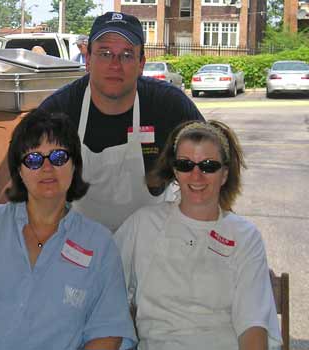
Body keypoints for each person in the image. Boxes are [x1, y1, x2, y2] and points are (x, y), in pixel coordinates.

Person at [0, 110, 136, 350]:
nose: (47, 167)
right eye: (34, 159)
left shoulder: (99, 244)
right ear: (19, 170)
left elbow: (107, 333)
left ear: (74, 165)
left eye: (58, 157)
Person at [114, 120, 282, 350]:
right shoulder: (143, 225)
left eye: (208, 166)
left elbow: (252, 326)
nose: (196, 176)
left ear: (224, 174)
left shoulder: (244, 236)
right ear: (175, 170)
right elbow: (105, 292)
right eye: (185, 165)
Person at [39, 11, 204, 231]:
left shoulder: (169, 105)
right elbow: (20, 179)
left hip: (151, 243)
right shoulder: (59, 110)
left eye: (127, 54)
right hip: (78, 243)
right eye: (105, 53)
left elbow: (215, 159)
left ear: (141, 63)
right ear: (88, 59)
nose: (115, 65)